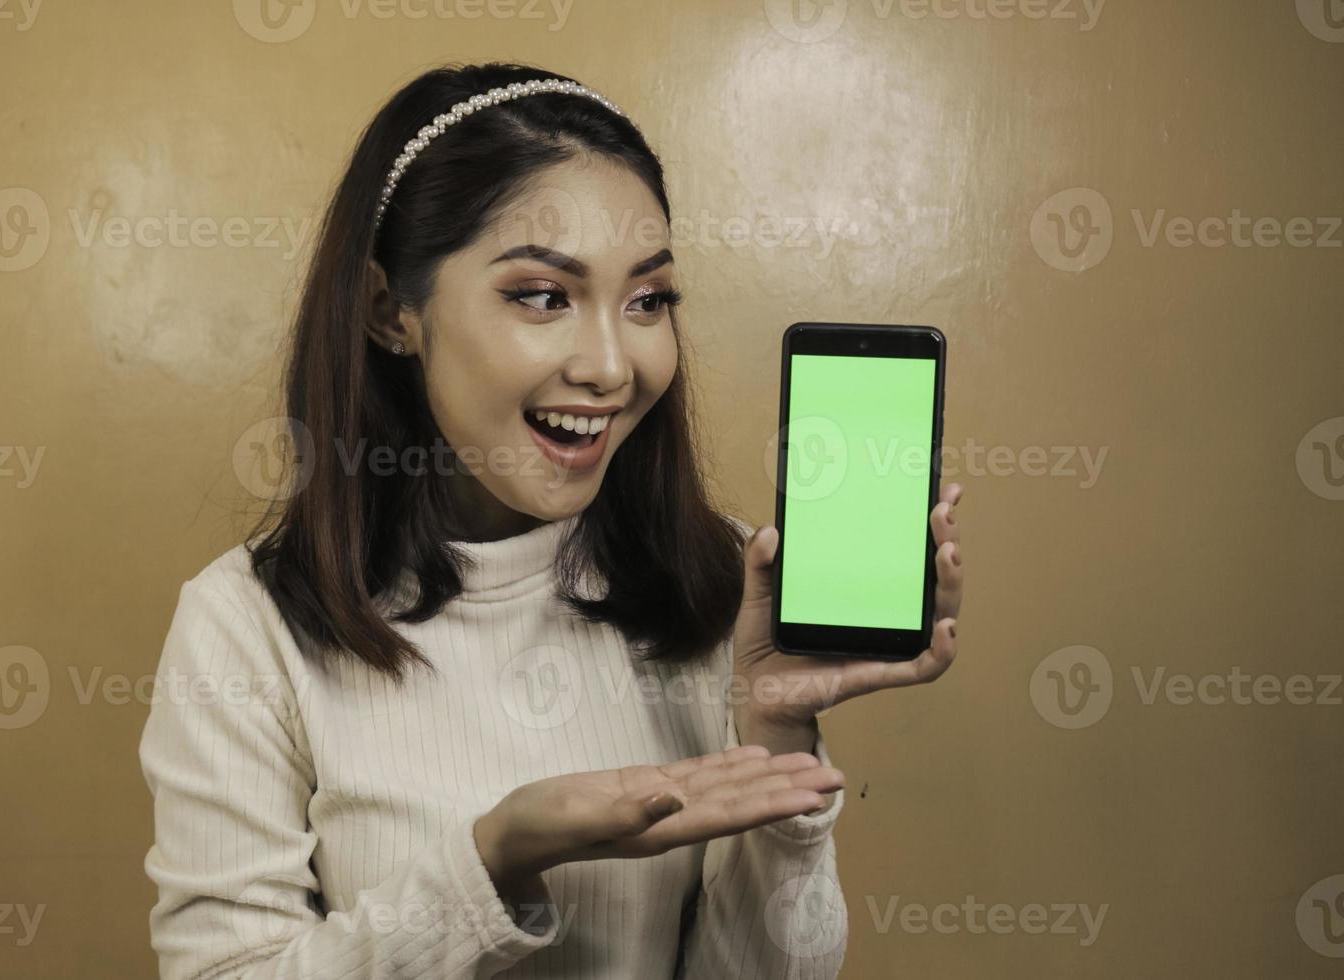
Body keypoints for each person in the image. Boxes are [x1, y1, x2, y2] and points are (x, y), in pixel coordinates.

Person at [138, 62, 965, 979]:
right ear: (389, 312)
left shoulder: (726, 588)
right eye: (542, 295)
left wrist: (775, 736)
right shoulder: (244, 627)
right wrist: (492, 862)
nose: (613, 366)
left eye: (648, 300)